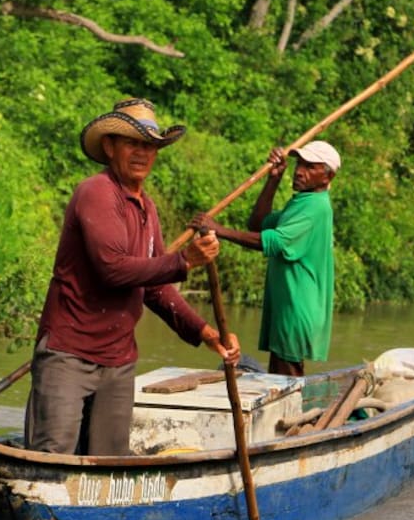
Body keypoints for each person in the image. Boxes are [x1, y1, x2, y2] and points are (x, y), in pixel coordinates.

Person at [24, 98, 240, 456]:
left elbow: (154, 289)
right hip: (68, 353)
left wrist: (206, 333)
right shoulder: (96, 192)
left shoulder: (147, 207)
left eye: (150, 146)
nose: (142, 153)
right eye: (133, 143)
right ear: (110, 146)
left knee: (110, 466)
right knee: (52, 456)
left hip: (118, 360)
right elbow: (113, 268)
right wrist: (184, 260)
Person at [191, 141, 338, 377]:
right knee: (281, 374)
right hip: (286, 305)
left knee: (286, 379)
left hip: (296, 307)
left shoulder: (316, 208)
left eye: (310, 167)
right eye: (299, 164)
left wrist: (219, 230)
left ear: (327, 176)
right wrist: (274, 179)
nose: (300, 170)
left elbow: (273, 241)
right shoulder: (302, 202)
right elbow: (258, 224)